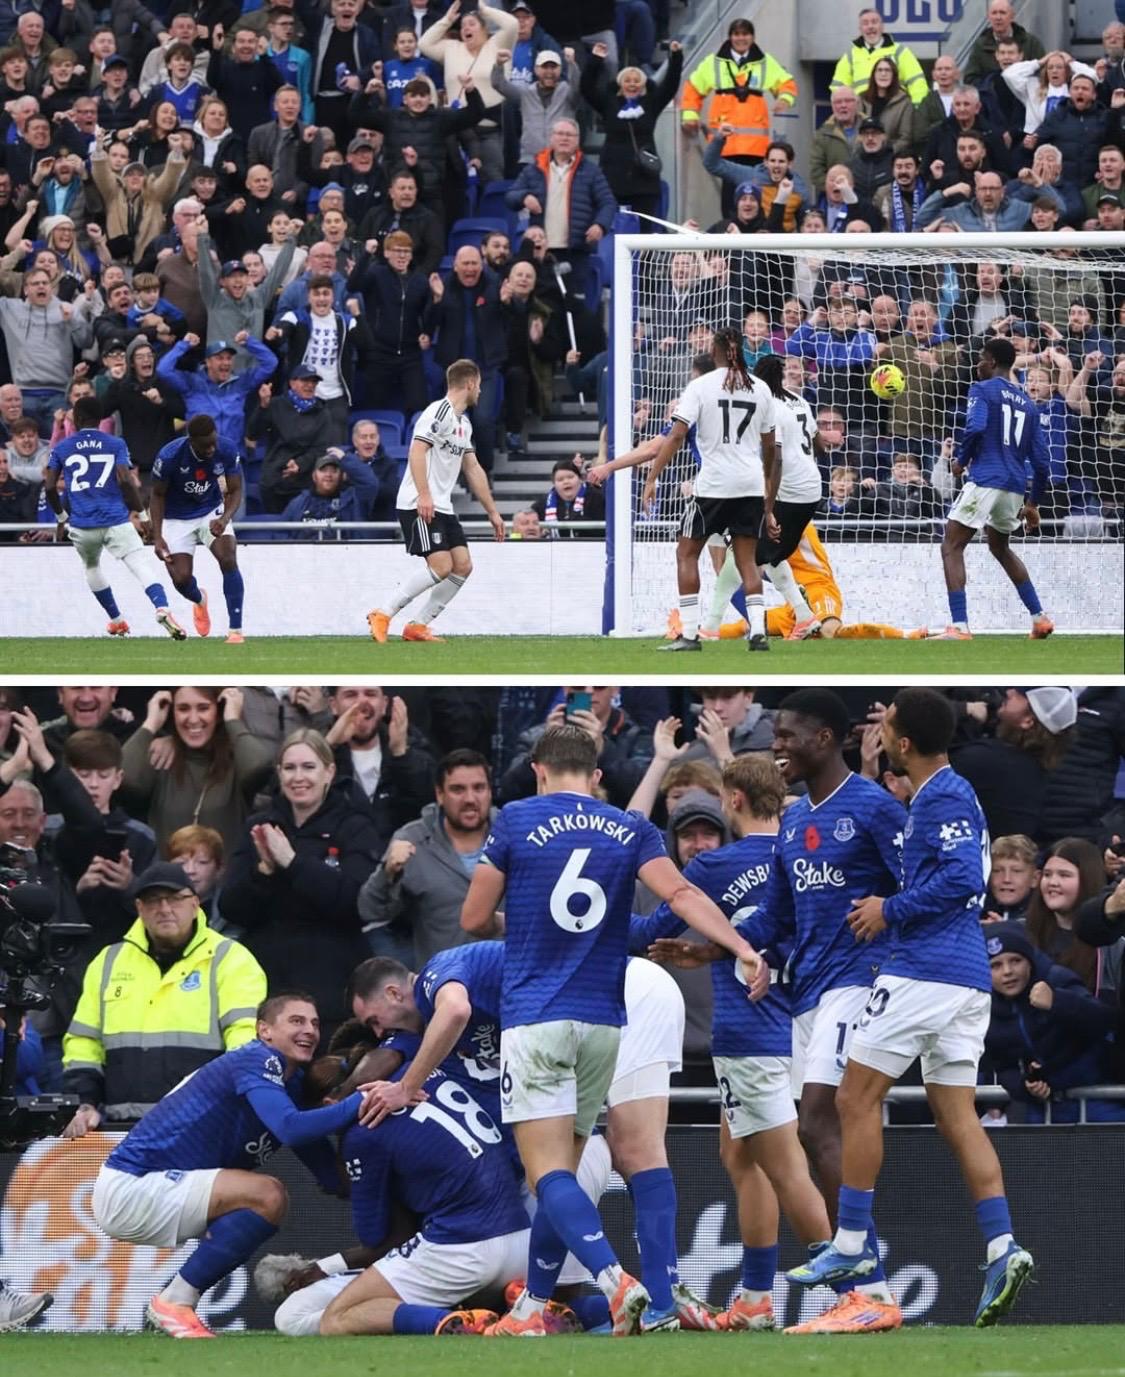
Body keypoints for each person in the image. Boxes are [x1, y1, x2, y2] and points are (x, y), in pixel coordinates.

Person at [459, 722, 762, 1337]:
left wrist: (520, 910)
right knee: (571, 1167)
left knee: (548, 1174)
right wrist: (740, 947)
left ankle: (617, 1280)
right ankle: (531, 1310)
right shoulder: (629, 828)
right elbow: (676, 894)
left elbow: (470, 918)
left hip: (537, 1016)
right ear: (595, 776)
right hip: (604, 1020)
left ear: (540, 770)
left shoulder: (516, 819)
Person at [789, 688, 1034, 1328]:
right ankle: (1002, 1245)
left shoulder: (945, 794)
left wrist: (886, 909)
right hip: (963, 981)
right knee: (957, 1114)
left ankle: (847, 1244)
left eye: (888, 722)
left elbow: (961, 880)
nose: (881, 728)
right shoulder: (936, 795)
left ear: (902, 743)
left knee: (852, 1099)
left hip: (925, 970)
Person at [730, 689, 906, 1334]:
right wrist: (729, 949)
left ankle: (869, 1289)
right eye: (774, 733)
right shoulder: (795, 819)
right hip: (807, 989)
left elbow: (915, 886)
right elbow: (780, 914)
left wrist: (893, 936)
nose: (777, 745)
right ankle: (869, 1293)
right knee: (814, 1129)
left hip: (860, 981)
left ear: (826, 738)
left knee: (819, 1120)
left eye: (788, 735)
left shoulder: (874, 808)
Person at [638, 754, 833, 1332]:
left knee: (785, 1166)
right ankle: (753, 1297)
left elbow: (652, 932)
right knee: (740, 1156)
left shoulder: (715, 867)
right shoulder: (808, 856)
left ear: (733, 802)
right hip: (809, 1026)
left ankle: (855, 1286)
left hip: (750, 1034)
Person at [90, 992, 365, 1339]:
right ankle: (173, 1303)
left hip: (157, 1189)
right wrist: (365, 1099)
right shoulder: (256, 1059)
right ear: (264, 1030)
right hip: (133, 1185)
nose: (309, 1030)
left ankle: (170, 1307)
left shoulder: (290, 1085)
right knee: (267, 1193)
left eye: (314, 1023)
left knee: (265, 1199)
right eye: (296, 1021)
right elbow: (290, 1128)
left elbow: (330, 1173)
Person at [271, 1036, 526, 1338]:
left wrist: (348, 1172)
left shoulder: (362, 1133)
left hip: (462, 1250)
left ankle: (443, 1323)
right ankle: (557, 1308)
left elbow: (377, 1237)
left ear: (329, 1105)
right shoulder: (422, 1074)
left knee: (308, 1317)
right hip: (521, 1239)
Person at [60, 860, 267, 1136]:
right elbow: (84, 1042)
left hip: (201, 1127)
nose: (165, 909)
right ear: (139, 909)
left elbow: (245, 1042)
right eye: (153, 901)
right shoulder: (108, 961)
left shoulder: (230, 959)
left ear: (195, 904)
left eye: (174, 899)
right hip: (121, 1128)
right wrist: (84, 1102)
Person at [220, 729, 382, 1038]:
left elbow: (357, 902)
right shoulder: (260, 825)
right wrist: (264, 872)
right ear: (279, 773)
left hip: (334, 977)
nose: (299, 777)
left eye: (309, 767)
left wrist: (293, 864)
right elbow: (231, 905)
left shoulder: (355, 824)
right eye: (290, 768)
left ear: (329, 772)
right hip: (269, 975)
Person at [645, 326, 778, 652]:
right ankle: (758, 632)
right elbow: (771, 447)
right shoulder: (760, 388)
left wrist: (652, 477)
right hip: (749, 483)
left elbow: (676, 436)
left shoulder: (700, 386)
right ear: (743, 350)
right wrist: (769, 501)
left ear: (715, 352)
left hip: (714, 483)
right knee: (747, 560)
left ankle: (690, 635)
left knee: (686, 552)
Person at [366, 358, 505, 645]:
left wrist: (493, 511)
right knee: (442, 565)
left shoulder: (463, 425)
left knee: (463, 565)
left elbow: (473, 467)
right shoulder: (437, 412)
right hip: (418, 501)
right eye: (478, 385)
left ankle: (418, 626)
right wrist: (425, 495)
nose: (480, 391)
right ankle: (383, 613)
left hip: (442, 505)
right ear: (470, 383)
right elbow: (416, 453)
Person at [43, 395, 185, 640]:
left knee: (91, 566)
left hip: (82, 524)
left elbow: (48, 487)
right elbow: (124, 480)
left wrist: (60, 517)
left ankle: (117, 620)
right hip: (116, 519)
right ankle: (162, 607)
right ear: (100, 420)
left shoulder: (63, 447)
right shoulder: (115, 443)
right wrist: (142, 514)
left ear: (76, 418)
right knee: (139, 564)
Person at [940, 336, 1052, 639]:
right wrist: (1032, 504)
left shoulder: (982, 389)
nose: (978, 363)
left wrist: (961, 460)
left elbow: (975, 427)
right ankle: (1039, 617)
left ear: (990, 361)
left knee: (951, 545)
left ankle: (960, 626)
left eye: (980, 358)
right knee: (999, 547)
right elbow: (1042, 462)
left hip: (986, 479)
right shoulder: (1028, 404)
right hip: (1015, 485)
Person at [358, 748, 495, 966]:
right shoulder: (412, 839)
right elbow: (369, 910)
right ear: (440, 795)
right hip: (444, 988)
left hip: (507, 986)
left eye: (479, 788)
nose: (470, 798)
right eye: (458, 790)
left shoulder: (513, 834)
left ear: (490, 792)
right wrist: (388, 873)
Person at [985, 921, 1122, 1124]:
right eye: (995, 965)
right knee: (1044, 1155)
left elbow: (1104, 1021)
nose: (1007, 971)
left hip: (1097, 1097)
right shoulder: (985, 1006)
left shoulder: (1055, 979)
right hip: (1043, 1108)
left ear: (1029, 960)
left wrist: (1058, 1001)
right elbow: (1002, 1067)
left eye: (1015, 961)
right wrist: (1026, 1087)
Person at [121, 687, 276, 859]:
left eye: (203, 708)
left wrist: (233, 719)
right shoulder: (162, 756)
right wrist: (150, 724)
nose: (193, 719)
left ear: (218, 712)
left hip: (224, 883)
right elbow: (121, 776)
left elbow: (261, 766)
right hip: (168, 882)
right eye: (183, 709)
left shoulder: (237, 761)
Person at [150, 414, 247, 645]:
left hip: (210, 510)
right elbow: (157, 495)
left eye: (214, 442)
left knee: (228, 558)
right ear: (191, 440)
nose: (212, 449)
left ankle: (235, 631)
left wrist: (224, 518)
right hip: (176, 517)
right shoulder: (170, 456)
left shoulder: (226, 448)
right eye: (206, 445)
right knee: (182, 579)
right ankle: (199, 599)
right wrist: (157, 536)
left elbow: (235, 490)